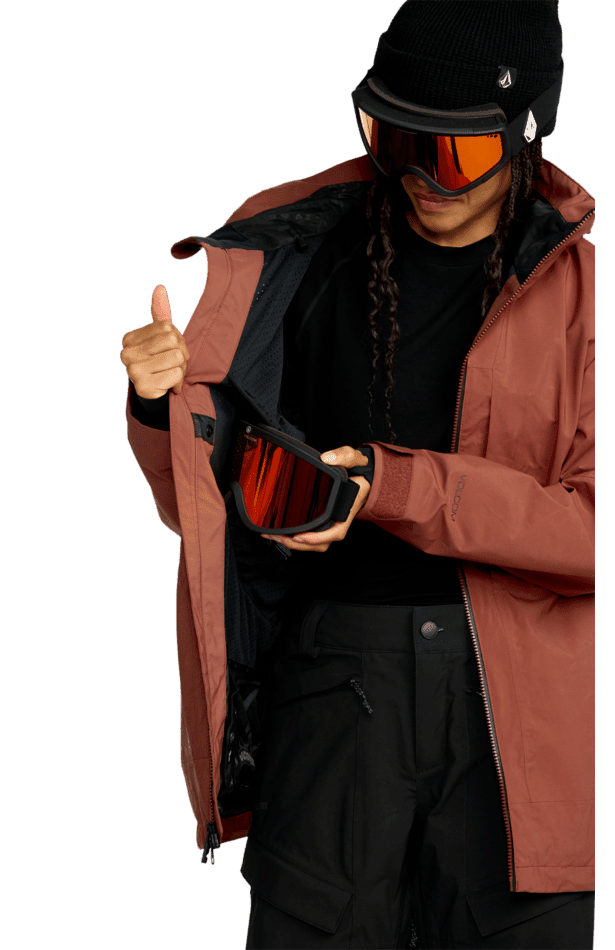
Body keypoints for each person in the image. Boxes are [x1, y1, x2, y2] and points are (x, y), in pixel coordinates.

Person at [118, 1, 594, 946]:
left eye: (453, 152)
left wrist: (391, 487)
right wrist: (156, 404)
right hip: (335, 689)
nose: (418, 174)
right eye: (393, 137)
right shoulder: (296, 260)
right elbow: (211, 510)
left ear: (528, 131)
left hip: (524, 719)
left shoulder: (584, 299)